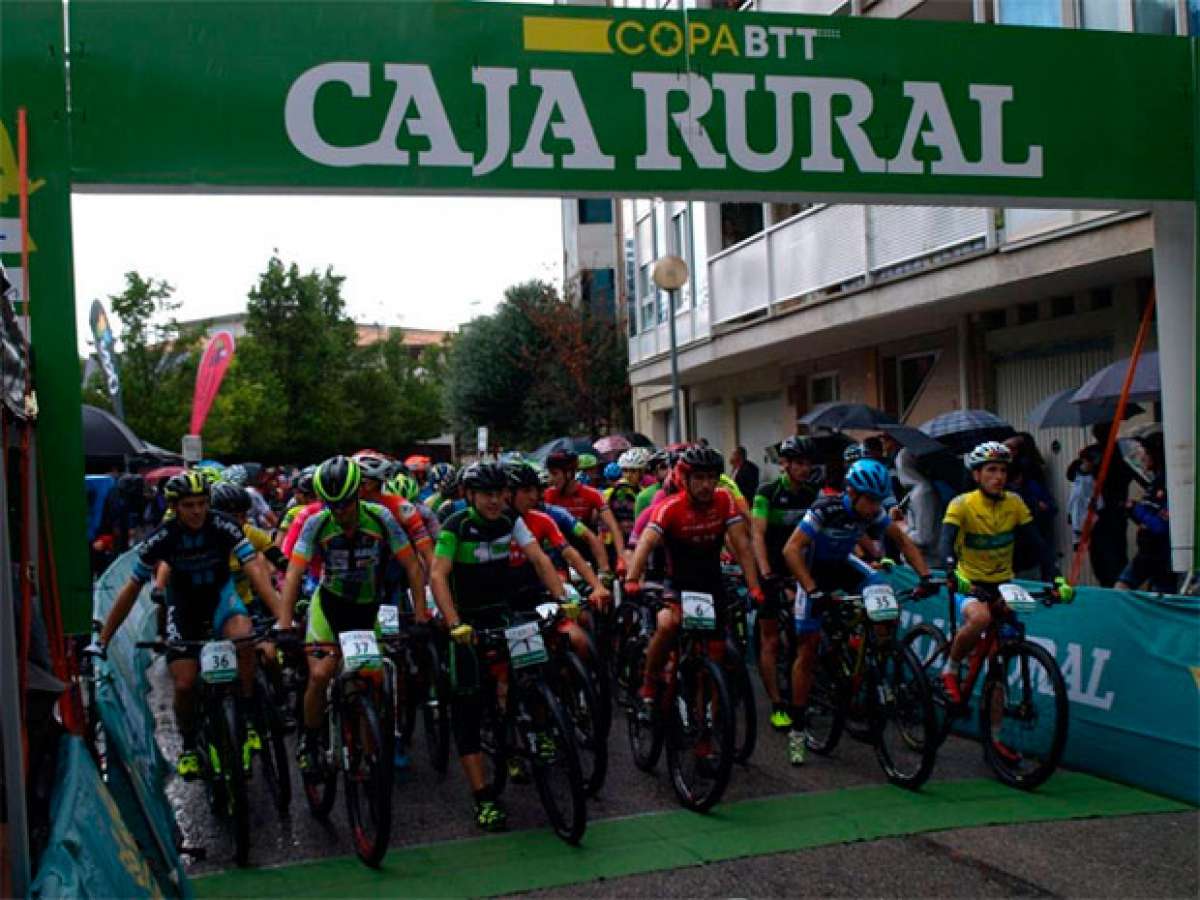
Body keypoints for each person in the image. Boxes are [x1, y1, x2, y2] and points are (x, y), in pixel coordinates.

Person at [89, 471, 286, 779]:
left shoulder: (224, 525)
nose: (197, 511)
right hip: (184, 608)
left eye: (202, 503)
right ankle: (190, 745)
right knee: (184, 684)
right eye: (189, 505)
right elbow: (130, 589)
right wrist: (103, 640)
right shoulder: (164, 536)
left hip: (222, 599)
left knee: (244, 638)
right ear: (175, 507)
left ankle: (247, 714)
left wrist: (283, 620)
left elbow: (256, 573)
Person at [429, 462, 567, 832]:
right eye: (486, 494)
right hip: (467, 621)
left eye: (499, 494)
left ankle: (533, 728)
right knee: (469, 707)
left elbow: (539, 558)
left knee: (534, 665)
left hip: (501, 612)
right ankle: (483, 797)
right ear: (469, 496)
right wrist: (454, 623)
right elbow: (438, 574)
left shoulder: (510, 520)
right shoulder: (455, 526)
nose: (494, 501)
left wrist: (562, 597)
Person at [781, 459, 936, 767]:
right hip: (813, 573)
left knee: (883, 595)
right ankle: (797, 730)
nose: (875, 507)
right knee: (808, 650)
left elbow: (903, 541)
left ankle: (871, 656)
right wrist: (812, 590)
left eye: (879, 501)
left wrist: (926, 576)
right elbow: (791, 550)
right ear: (852, 493)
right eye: (870, 500)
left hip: (843, 566)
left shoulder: (873, 512)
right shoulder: (825, 510)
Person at [281, 456, 427, 779]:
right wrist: (285, 624)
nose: (340, 511)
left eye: (345, 503)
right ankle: (310, 740)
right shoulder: (316, 523)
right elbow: (293, 574)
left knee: (372, 678)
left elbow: (413, 567)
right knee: (320, 674)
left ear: (358, 493)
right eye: (331, 504)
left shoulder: (381, 518)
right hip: (329, 606)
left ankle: (369, 754)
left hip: (368, 607)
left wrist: (420, 616)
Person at [938, 442, 1072, 748]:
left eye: (1003, 470)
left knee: (999, 663)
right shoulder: (962, 504)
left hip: (1002, 584)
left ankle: (995, 740)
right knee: (980, 618)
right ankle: (951, 669)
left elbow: (1038, 544)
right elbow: (945, 543)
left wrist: (1056, 577)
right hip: (968, 582)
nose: (999, 477)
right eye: (991, 470)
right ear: (976, 475)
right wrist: (951, 572)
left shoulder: (1015, 503)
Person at [624, 447, 763, 713]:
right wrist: (632, 579)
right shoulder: (669, 507)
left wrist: (755, 586)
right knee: (668, 624)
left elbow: (742, 546)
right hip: (677, 583)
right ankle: (650, 681)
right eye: (699, 478)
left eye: (711, 478)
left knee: (715, 655)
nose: (706, 485)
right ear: (684, 480)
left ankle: (707, 720)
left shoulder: (724, 500)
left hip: (711, 584)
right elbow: (646, 543)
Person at [750, 436, 819, 731]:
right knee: (772, 639)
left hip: (798, 570)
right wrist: (766, 573)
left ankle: (800, 692)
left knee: (802, 637)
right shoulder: (767, 492)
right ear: (785, 464)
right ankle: (777, 703)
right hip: (772, 569)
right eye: (799, 463)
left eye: (808, 463)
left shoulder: (812, 494)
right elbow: (757, 535)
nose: (805, 469)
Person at [1066, 422, 1142, 586]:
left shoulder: (1111, 451)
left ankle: (1112, 584)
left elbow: (1071, 474)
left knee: (1104, 557)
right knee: (1114, 555)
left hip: (1103, 512)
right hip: (1111, 510)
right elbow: (1073, 473)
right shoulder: (1117, 451)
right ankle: (1116, 585)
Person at [545, 450, 629, 570]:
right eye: (549, 474)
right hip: (560, 551)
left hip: (588, 548)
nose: (550, 480)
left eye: (554, 474)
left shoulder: (592, 494)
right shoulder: (548, 495)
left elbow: (613, 527)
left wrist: (621, 558)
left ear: (569, 473)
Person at [1116, 434, 1177, 594]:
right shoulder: (1154, 483)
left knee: (1161, 597)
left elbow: (1161, 526)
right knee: (1120, 590)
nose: (1142, 457)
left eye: (1146, 452)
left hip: (1162, 557)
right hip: (1147, 553)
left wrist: (1136, 509)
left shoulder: (1169, 484)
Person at [894, 448, 939, 559]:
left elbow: (923, 537)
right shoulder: (915, 491)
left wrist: (902, 526)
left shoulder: (923, 493)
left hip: (926, 562)